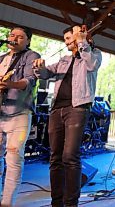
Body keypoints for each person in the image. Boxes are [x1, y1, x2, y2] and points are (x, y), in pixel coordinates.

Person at [33, 25, 102, 207]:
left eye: (69, 38)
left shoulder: (93, 54)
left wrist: (81, 41)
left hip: (77, 108)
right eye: (64, 40)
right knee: (55, 157)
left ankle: (71, 203)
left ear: (79, 37)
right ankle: (57, 202)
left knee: (70, 155)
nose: (66, 42)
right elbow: (46, 74)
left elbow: (92, 65)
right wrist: (39, 68)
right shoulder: (63, 60)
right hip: (57, 109)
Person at [0, 26, 40, 206]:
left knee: (14, 157)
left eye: (20, 36)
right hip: (0, 112)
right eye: (12, 35)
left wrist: (11, 84)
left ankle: (7, 202)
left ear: (28, 41)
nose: (14, 38)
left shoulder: (31, 56)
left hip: (19, 113)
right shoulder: (1, 58)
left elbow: (29, 81)